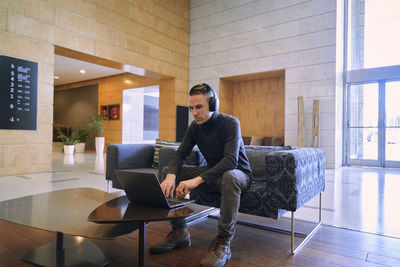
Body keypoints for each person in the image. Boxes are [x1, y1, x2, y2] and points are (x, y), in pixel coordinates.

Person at [149, 83, 252, 267]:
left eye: (199, 107)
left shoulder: (230, 123)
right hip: (214, 175)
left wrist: (196, 180)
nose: (194, 113)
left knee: (230, 176)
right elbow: (180, 154)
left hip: (239, 175)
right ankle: (180, 232)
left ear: (212, 105)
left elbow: (231, 162)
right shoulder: (195, 127)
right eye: (191, 108)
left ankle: (223, 242)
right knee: (168, 171)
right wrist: (171, 174)